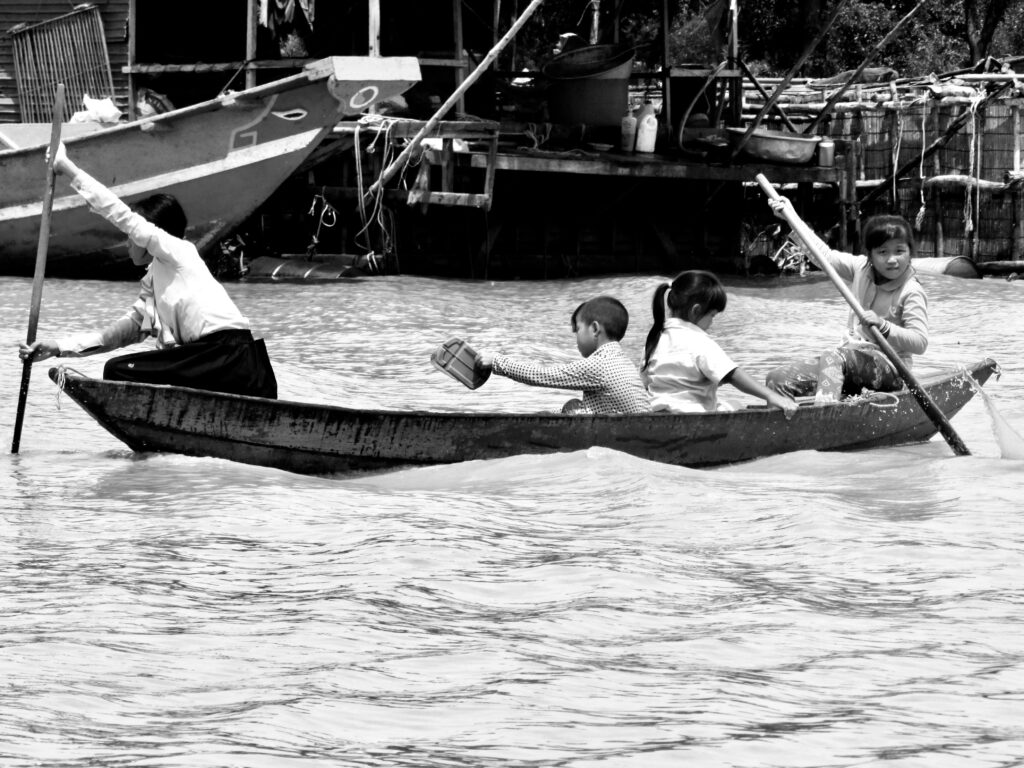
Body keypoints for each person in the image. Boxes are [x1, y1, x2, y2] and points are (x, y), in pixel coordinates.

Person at [18, 143, 278, 399]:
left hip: (232, 358)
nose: (128, 241)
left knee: (117, 370)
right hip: (211, 361)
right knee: (119, 370)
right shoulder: (153, 290)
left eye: (132, 235)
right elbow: (117, 335)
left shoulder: (179, 252)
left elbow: (118, 213)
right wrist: (57, 347)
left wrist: (66, 167)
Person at [765, 198, 927, 403]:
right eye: (883, 252)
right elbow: (823, 257)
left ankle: (827, 417)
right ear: (870, 255)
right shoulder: (860, 267)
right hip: (847, 359)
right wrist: (791, 217)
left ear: (910, 252)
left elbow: (920, 343)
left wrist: (884, 326)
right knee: (777, 379)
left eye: (899, 251)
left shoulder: (912, 291)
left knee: (833, 357)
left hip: (891, 369)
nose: (892, 259)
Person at [641, 270, 797, 415]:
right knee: (735, 404)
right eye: (712, 316)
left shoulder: (654, 339)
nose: (711, 322)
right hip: (694, 414)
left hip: (659, 412)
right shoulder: (699, 341)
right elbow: (732, 375)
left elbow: (647, 381)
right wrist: (770, 395)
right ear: (695, 311)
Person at [476, 295, 650, 415]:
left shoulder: (599, 365)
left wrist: (497, 361)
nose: (576, 338)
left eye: (578, 330)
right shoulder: (623, 362)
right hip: (638, 429)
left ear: (595, 329)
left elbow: (542, 376)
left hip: (625, 434)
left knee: (572, 408)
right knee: (572, 407)